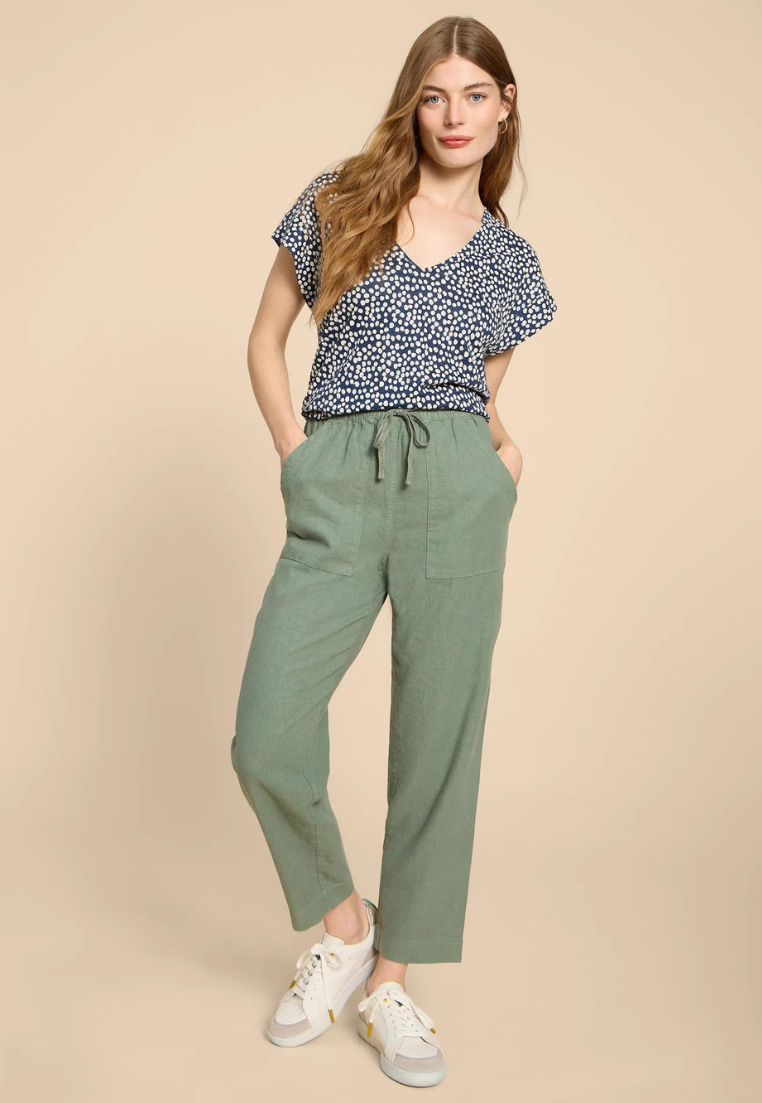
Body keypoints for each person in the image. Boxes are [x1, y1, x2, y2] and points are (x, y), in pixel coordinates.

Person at [231, 15, 557, 1088]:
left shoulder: (509, 261)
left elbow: (479, 395)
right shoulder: (340, 199)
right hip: (337, 476)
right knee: (266, 733)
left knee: (437, 740)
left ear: (505, 105)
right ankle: (346, 925)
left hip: (456, 488)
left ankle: (390, 982)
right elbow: (265, 337)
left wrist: (499, 461)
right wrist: (296, 453)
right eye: (435, 94)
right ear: (411, 104)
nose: (455, 115)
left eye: (475, 94)